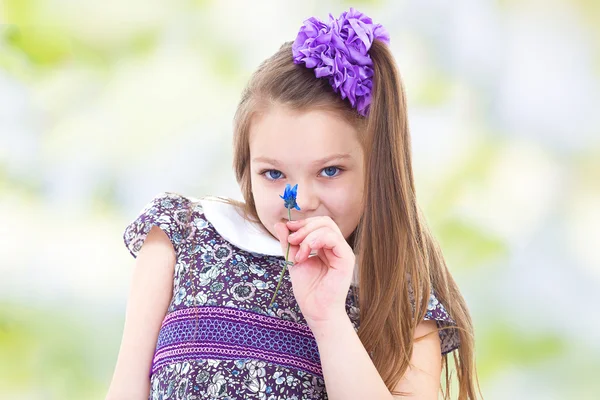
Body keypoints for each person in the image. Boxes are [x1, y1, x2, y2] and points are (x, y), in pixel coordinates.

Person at [106, 7, 480, 400]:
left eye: (330, 171)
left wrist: (329, 319)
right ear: (245, 166)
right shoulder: (182, 237)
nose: (298, 200)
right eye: (273, 174)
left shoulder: (402, 303)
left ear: (378, 170)